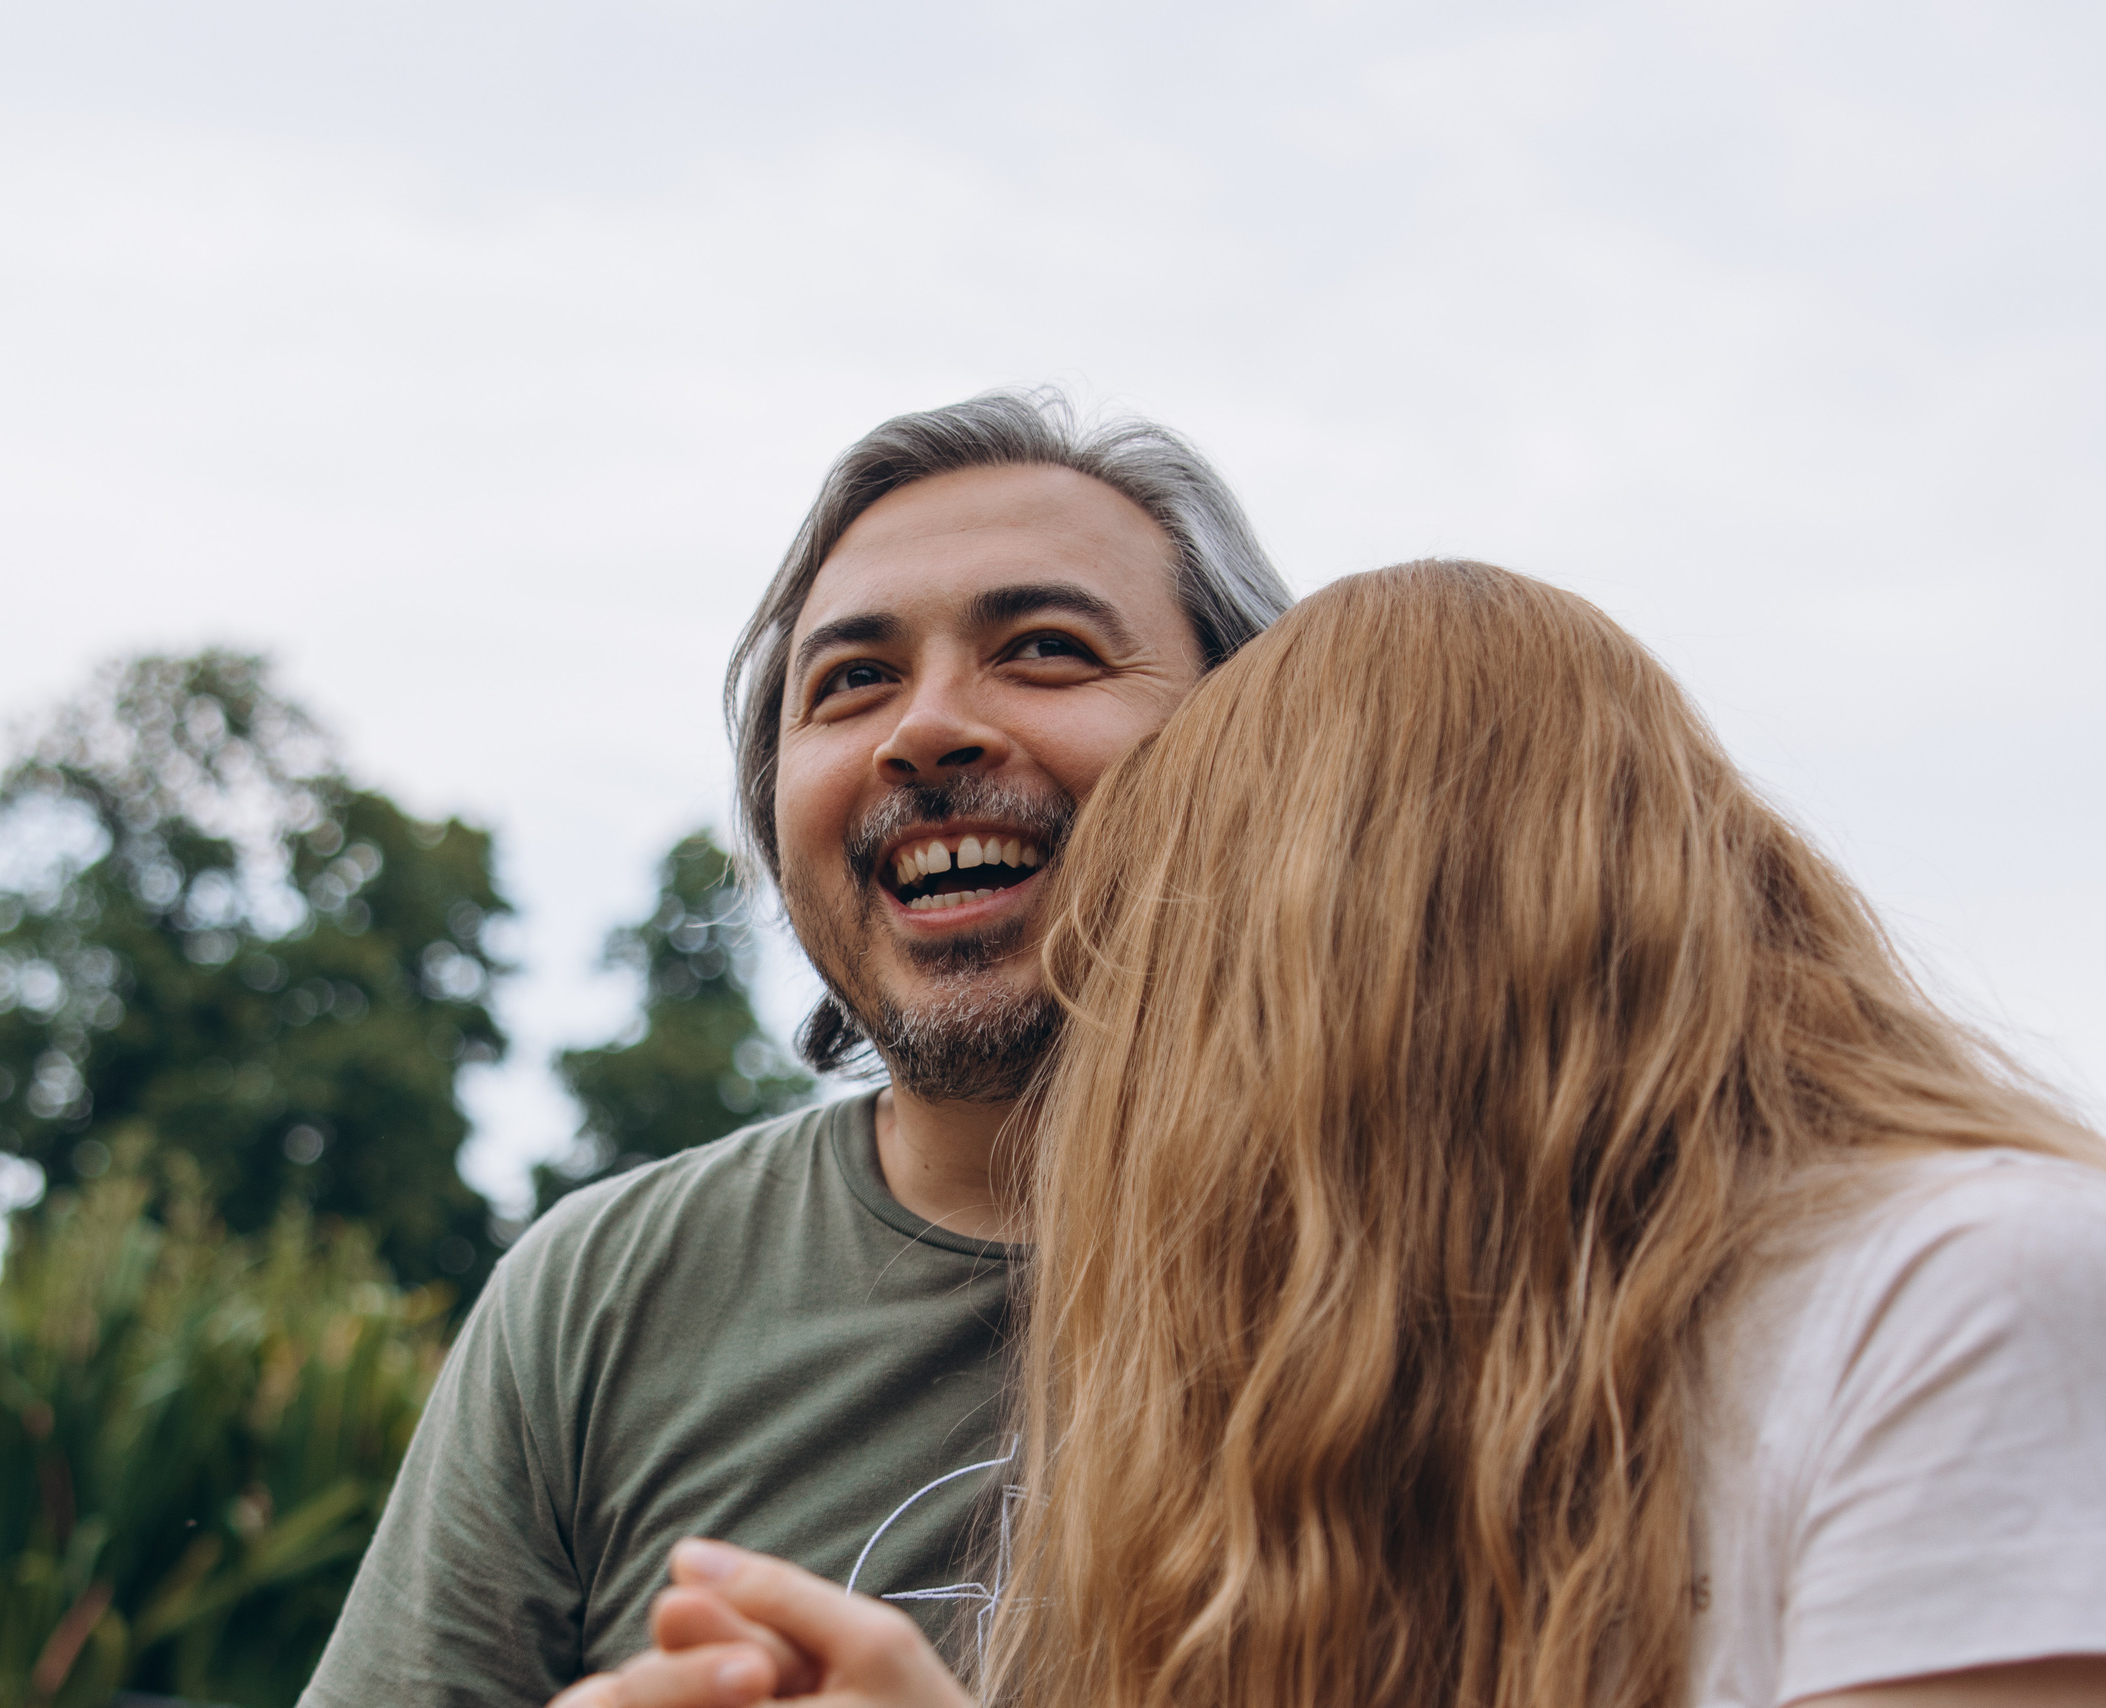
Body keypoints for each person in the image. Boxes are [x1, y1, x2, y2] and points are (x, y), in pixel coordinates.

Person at [565, 561, 2106, 1708]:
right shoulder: (1378, 1414)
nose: (1143, 1071)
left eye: (1178, 957)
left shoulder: (1958, 1288)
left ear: (1376, 954)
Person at [296, 391, 1292, 1705]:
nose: (923, 729)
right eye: (853, 681)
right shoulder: (605, 1295)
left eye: (1044, 648)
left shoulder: (1465, 1276)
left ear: (1263, 751)